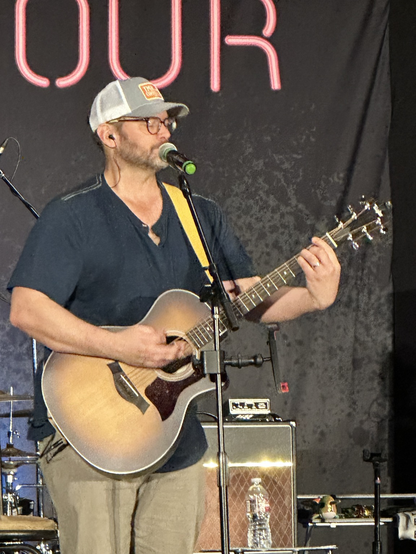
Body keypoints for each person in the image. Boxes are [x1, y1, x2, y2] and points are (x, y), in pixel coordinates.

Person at [8, 76, 340, 554]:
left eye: (166, 121)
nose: (163, 130)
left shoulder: (197, 213)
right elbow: (27, 309)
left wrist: (314, 297)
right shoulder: (72, 215)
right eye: (149, 122)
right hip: (92, 435)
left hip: (174, 438)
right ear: (109, 134)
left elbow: (247, 297)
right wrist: (121, 346)